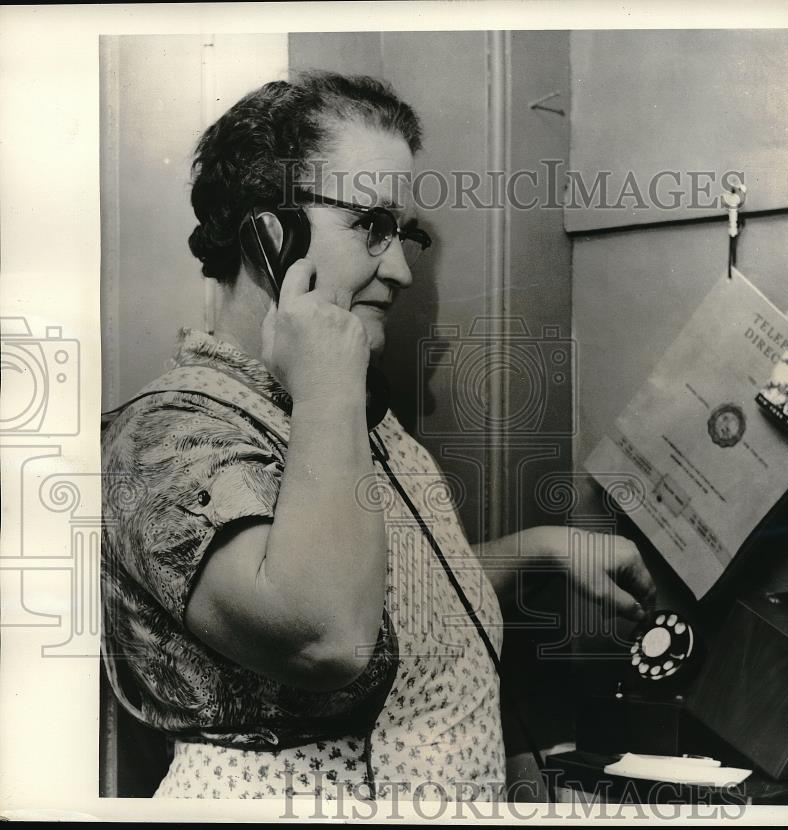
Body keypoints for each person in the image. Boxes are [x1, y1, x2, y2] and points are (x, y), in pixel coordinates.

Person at [100, 71, 656, 803]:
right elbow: (329, 634)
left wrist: (536, 549)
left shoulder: (358, 420)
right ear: (271, 236)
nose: (399, 269)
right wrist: (328, 379)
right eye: (372, 227)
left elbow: (391, 591)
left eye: (406, 234)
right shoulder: (165, 438)